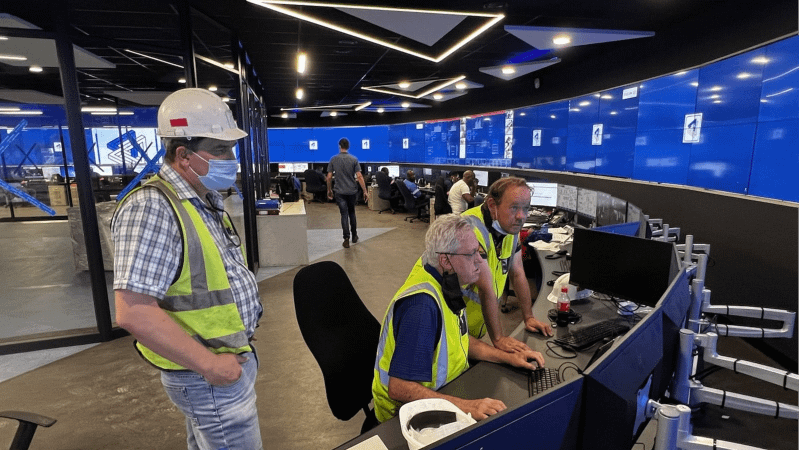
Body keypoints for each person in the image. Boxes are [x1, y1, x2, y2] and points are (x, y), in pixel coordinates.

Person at [112, 88, 263, 450]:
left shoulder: (201, 200)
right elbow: (133, 311)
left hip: (223, 363)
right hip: (208, 374)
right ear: (184, 154)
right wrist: (210, 366)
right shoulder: (152, 206)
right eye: (221, 150)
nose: (232, 158)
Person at [372, 214, 544, 423]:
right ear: (446, 260)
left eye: (479, 253)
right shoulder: (422, 307)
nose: (480, 262)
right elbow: (400, 388)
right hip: (402, 416)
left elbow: (459, 338)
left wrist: (507, 357)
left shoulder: (448, 283)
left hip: (446, 388)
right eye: (472, 254)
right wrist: (466, 406)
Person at [461, 177, 553, 353]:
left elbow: (517, 272)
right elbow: (485, 288)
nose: (521, 216)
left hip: (470, 326)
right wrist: (498, 338)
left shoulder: (508, 226)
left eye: (526, 208)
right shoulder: (468, 230)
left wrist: (529, 317)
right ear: (492, 205)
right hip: (446, 324)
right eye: (514, 208)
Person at [326, 138, 368, 248]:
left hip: (339, 192)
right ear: (348, 146)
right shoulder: (354, 159)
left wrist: (329, 190)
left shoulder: (333, 159)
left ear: (340, 146)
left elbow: (329, 177)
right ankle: (354, 236)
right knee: (352, 213)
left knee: (344, 214)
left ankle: (346, 238)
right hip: (352, 191)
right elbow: (359, 176)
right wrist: (365, 191)